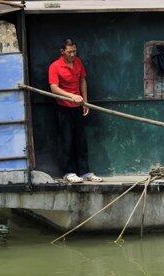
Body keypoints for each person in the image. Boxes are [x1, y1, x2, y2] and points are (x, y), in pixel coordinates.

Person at [48, 39, 102, 183]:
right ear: (62, 52)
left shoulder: (78, 62)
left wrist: (85, 101)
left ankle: (84, 172)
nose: (72, 54)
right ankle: (68, 172)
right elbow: (54, 88)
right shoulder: (55, 66)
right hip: (63, 108)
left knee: (81, 141)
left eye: (74, 51)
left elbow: (83, 81)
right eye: (69, 52)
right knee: (67, 141)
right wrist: (72, 96)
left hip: (78, 107)